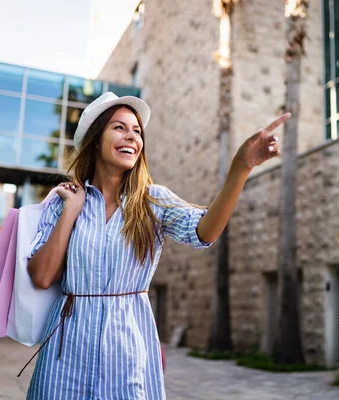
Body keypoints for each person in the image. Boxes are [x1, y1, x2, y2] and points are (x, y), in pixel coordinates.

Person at [24, 91, 289, 399]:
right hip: (64, 351)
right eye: (119, 127)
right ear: (96, 139)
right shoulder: (64, 201)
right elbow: (42, 277)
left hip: (126, 352)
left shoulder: (153, 200)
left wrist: (241, 167)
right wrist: (71, 210)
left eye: (137, 131)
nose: (131, 137)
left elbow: (204, 232)